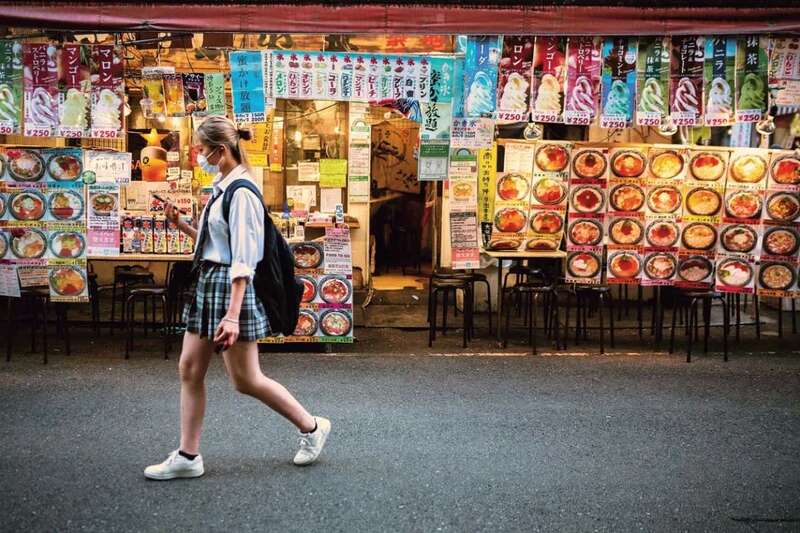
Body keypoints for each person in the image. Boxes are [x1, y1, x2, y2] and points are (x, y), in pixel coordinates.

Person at [144, 116, 330, 480]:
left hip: (230, 289)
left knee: (246, 379)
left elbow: (244, 258)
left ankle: (311, 427)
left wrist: (231, 315)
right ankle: (188, 455)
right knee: (189, 368)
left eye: (200, 149)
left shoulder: (242, 192)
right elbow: (217, 243)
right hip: (211, 282)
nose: (197, 155)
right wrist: (180, 224)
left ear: (221, 150)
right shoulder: (223, 186)